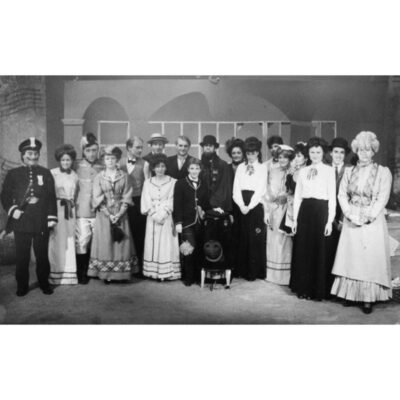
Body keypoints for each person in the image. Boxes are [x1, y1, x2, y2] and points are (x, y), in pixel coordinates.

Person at [331, 131, 393, 314]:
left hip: (371, 220)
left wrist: (369, 216)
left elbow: (383, 197)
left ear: (374, 151)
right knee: (351, 257)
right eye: (360, 150)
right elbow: (342, 194)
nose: (364, 153)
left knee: (368, 259)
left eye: (368, 150)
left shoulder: (383, 172)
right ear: (356, 151)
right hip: (352, 217)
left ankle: (367, 298)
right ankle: (350, 295)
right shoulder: (349, 171)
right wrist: (349, 214)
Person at [1, 137, 57, 296]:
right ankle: (22, 285)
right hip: (22, 221)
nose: (33, 156)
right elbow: (5, 196)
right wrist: (13, 210)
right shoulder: (13, 174)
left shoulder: (45, 173)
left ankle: (44, 283)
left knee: (42, 256)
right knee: (22, 257)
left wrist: (51, 218)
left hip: (40, 221)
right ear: (23, 155)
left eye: (35, 153)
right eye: (29, 153)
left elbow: (51, 197)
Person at [289, 137, 336, 300]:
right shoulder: (303, 171)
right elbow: (297, 197)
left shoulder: (329, 171)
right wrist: (295, 220)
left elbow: (332, 197)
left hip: (321, 211)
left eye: (318, 152)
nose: (315, 155)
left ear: (323, 153)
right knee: (304, 249)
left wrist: (329, 221)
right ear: (308, 153)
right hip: (305, 211)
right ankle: (303, 288)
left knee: (319, 250)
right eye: (312, 152)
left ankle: (317, 290)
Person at [88, 146, 138, 283]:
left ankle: (122, 274)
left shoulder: (124, 176)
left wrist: (120, 213)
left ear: (117, 159)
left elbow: (127, 195)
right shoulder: (99, 177)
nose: (110, 161)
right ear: (103, 160)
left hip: (121, 213)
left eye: (112, 158)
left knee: (121, 242)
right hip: (104, 215)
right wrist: (109, 215)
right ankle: (107, 274)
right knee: (106, 242)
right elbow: (97, 197)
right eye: (107, 158)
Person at [141, 153, 181, 280]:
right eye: (157, 166)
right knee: (152, 242)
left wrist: (163, 214)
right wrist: (154, 214)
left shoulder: (173, 182)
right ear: (153, 168)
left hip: (166, 216)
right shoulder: (147, 183)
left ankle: (166, 273)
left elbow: (172, 199)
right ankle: (153, 272)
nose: (160, 169)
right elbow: (146, 199)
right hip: (152, 217)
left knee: (166, 243)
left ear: (166, 167)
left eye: (163, 166)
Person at [233, 137, 267, 281]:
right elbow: (236, 187)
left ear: (258, 152)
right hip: (241, 203)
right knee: (241, 236)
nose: (250, 156)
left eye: (253, 153)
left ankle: (253, 272)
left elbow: (261, 189)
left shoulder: (262, 167)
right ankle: (241, 270)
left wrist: (250, 206)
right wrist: (241, 205)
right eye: (248, 153)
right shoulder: (241, 167)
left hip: (255, 204)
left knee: (254, 237)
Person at [173, 157, 210, 286]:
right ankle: (188, 277)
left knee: (199, 249)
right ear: (188, 169)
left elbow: (206, 202)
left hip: (200, 221)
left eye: (197, 168)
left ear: (200, 170)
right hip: (186, 222)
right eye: (192, 168)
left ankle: (198, 276)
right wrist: (178, 222)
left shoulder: (203, 183)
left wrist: (206, 210)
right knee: (189, 249)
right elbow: (177, 204)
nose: (194, 171)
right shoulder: (180, 183)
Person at [200, 135, 234, 272]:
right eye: (206, 145)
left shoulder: (223, 165)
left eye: (211, 145)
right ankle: (203, 270)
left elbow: (225, 188)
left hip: (217, 208)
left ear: (215, 147)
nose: (208, 147)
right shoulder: (198, 164)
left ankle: (220, 269)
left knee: (219, 240)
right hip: (201, 208)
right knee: (203, 239)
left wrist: (218, 207)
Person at [74, 132, 103, 284]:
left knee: (98, 241)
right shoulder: (76, 165)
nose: (92, 154)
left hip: (100, 211)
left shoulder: (102, 165)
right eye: (88, 150)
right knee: (82, 241)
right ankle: (81, 272)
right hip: (82, 211)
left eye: (94, 150)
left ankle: (95, 271)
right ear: (83, 151)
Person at [48, 144, 79, 285]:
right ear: (59, 160)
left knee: (70, 241)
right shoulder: (52, 173)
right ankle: (56, 274)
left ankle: (69, 274)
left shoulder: (74, 175)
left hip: (70, 211)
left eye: (68, 160)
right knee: (57, 241)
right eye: (63, 160)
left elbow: (75, 194)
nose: (66, 162)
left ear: (72, 160)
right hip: (57, 209)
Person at [264, 144, 294, 285]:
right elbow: (267, 189)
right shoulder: (273, 171)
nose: (282, 160)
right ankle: (272, 275)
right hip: (274, 208)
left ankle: (286, 276)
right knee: (274, 240)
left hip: (288, 209)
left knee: (286, 241)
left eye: (285, 157)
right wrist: (269, 207)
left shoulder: (294, 171)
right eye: (280, 157)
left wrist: (287, 197)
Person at [120, 137, 150, 274]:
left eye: (141, 147)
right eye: (137, 147)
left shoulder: (145, 164)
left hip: (138, 202)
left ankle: (139, 268)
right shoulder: (119, 163)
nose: (140, 150)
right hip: (122, 202)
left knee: (139, 234)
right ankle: (123, 267)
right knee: (124, 233)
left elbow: (148, 187)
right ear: (129, 148)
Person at [327, 137, 351, 267]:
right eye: (336, 152)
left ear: (345, 154)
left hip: (343, 213)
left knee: (341, 249)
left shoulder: (350, 170)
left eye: (342, 152)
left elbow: (351, 196)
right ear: (331, 153)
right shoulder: (324, 169)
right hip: (326, 213)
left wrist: (342, 218)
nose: (338, 155)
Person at [225, 137, 245, 276]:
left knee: (243, 235)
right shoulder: (227, 168)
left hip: (244, 204)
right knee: (232, 236)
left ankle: (242, 268)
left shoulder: (247, 167)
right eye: (233, 153)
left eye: (239, 152)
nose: (236, 155)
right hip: (231, 205)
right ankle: (232, 267)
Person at [279, 142, 308, 234]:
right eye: (295, 156)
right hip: (291, 207)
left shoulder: (307, 172)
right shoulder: (292, 171)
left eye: (299, 156)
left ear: (306, 158)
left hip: (303, 208)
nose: (295, 158)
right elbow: (288, 190)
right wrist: (290, 174)